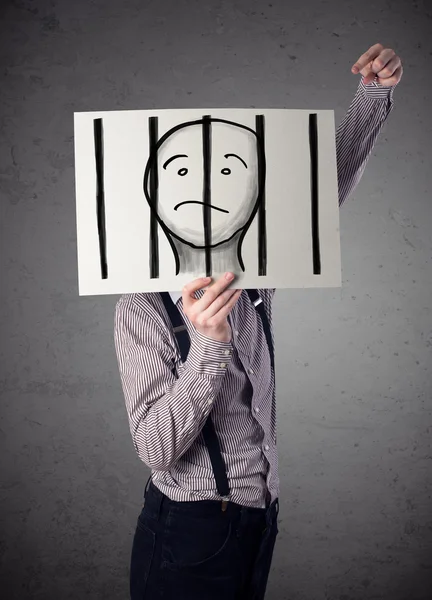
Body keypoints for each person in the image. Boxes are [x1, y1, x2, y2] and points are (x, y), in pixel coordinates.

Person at [114, 43, 403, 600]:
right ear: (158, 194)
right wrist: (208, 346)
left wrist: (373, 93)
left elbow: (318, 194)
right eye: (184, 174)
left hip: (258, 518)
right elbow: (154, 450)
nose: (207, 192)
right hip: (190, 529)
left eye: (228, 172)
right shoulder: (140, 305)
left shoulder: (253, 276)